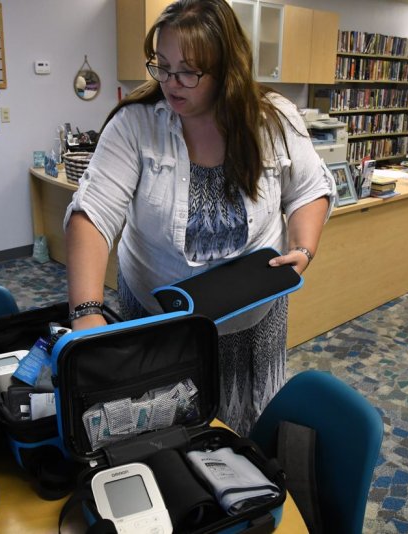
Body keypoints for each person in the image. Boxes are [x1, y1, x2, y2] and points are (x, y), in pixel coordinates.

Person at [63, 0, 336, 436]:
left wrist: (303, 247)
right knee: (158, 421)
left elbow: (308, 189)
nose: (171, 83)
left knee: (240, 421)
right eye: (163, 66)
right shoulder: (136, 125)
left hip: (250, 319)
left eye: (188, 71)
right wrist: (86, 312)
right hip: (158, 315)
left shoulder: (274, 118)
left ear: (226, 68)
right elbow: (92, 215)